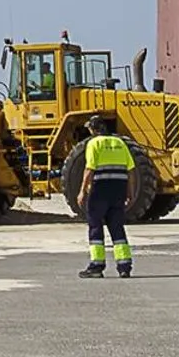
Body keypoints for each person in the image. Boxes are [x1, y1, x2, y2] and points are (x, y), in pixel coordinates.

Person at [75, 115, 136, 278]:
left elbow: (90, 169)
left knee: (95, 226)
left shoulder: (93, 143)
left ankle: (97, 265)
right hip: (118, 190)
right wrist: (129, 192)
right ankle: (124, 266)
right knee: (117, 227)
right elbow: (130, 170)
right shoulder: (120, 143)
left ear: (93, 129)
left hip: (100, 191)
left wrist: (82, 191)